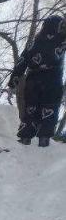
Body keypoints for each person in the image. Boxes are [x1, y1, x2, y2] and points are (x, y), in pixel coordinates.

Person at [9, 15, 66, 147]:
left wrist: (13, 82)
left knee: (31, 108)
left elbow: (22, 62)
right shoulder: (62, 40)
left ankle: (25, 138)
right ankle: (44, 139)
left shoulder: (34, 42)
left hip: (34, 79)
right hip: (53, 79)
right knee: (50, 108)